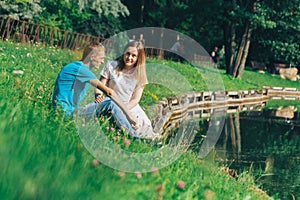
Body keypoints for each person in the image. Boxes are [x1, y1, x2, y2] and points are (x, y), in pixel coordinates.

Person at [52, 42, 138, 135]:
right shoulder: (81, 69)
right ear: (92, 57)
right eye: (101, 58)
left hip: (69, 111)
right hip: (66, 113)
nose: (102, 62)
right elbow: (109, 92)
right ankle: (134, 137)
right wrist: (129, 115)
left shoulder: (78, 67)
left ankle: (122, 134)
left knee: (106, 102)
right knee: (109, 103)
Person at [95, 41, 158, 140]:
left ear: (138, 58)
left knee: (145, 132)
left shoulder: (139, 75)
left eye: (134, 56)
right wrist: (98, 95)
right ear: (123, 53)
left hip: (129, 107)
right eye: (128, 54)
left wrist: (123, 109)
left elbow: (135, 99)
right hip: (111, 103)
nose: (129, 58)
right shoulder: (111, 66)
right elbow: (100, 86)